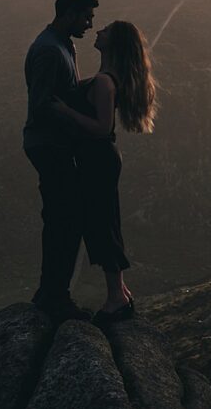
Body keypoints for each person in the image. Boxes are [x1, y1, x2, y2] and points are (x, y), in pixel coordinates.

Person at [53, 19, 157, 325]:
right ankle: (120, 293)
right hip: (100, 159)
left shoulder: (103, 82)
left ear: (113, 43)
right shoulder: (108, 78)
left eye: (106, 30)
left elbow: (101, 128)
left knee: (101, 223)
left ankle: (115, 299)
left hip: (96, 158)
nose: (98, 31)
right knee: (104, 219)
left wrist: (65, 111)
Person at [23, 0, 99, 322]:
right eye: (86, 16)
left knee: (63, 219)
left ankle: (52, 292)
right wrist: (78, 120)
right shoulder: (50, 51)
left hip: (53, 145)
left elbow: (61, 94)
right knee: (64, 220)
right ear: (68, 13)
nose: (90, 23)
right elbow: (43, 105)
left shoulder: (61, 45)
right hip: (49, 146)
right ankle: (54, 296)